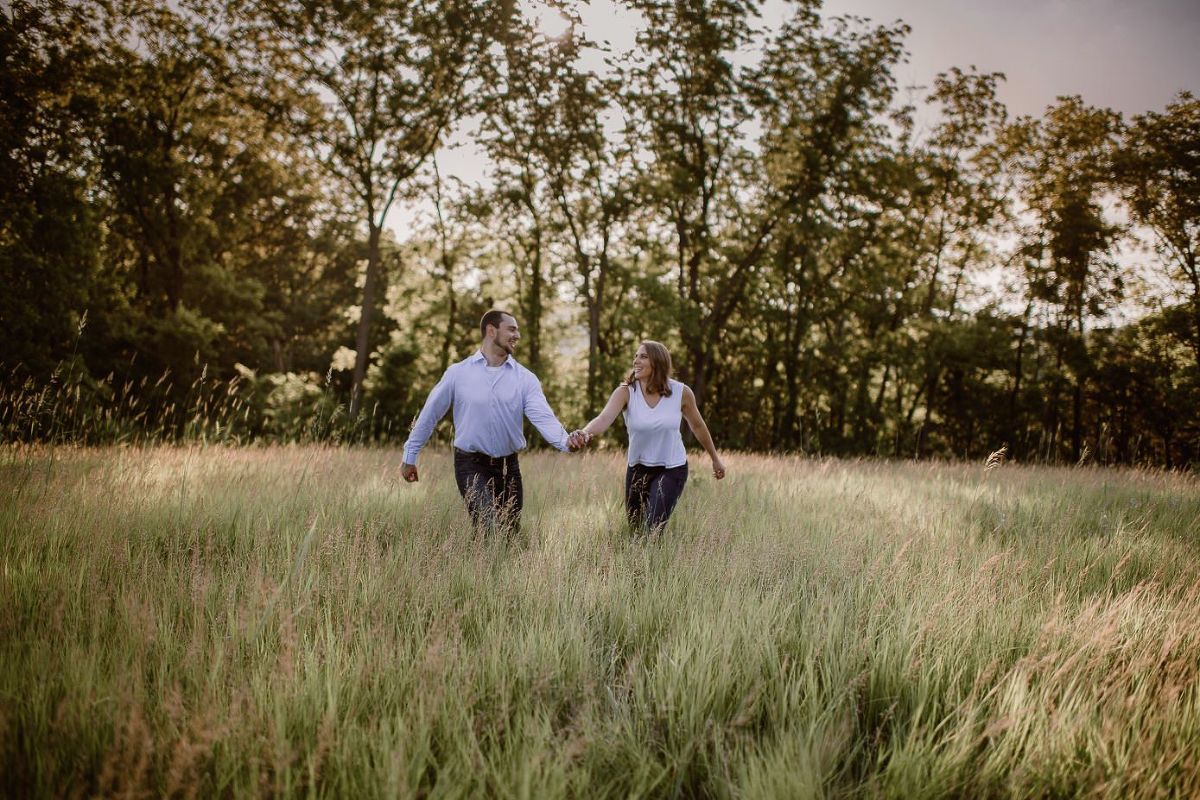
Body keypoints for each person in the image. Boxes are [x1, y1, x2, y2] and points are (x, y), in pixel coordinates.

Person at [401, 310, 587, 536]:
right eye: (511, 329)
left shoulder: (525, 379)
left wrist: (568, 442)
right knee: (487, 527)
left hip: (510, 467)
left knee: (509, 535)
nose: (517, 335)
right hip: (470, 465)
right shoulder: (458, 374)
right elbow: (429, 416)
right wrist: (409, 456)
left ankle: (493, 570)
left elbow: (544, 418)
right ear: (491, 330)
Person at [575, 340, 726, 533]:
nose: (636, 361)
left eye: (643, 356)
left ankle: (655, 561)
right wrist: (585, 432)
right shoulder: (626, 392)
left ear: (658, 361)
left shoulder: (681, 392)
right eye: (635, 356)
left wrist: (715, 459)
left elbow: (697, 426)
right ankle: (638, 563)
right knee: (636, 530)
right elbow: (604, 418)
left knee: (652, 528)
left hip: (672, 468)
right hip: (637, 469)